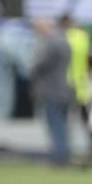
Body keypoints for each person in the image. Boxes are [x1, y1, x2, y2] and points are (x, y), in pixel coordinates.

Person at [30, 18, 74, 166]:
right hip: (64, 89)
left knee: (56, 126)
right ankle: (62, 156)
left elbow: (39, 65)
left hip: (52, 91)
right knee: (61, 125)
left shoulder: (52, 43)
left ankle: (59, 158)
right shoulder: (64, 41)